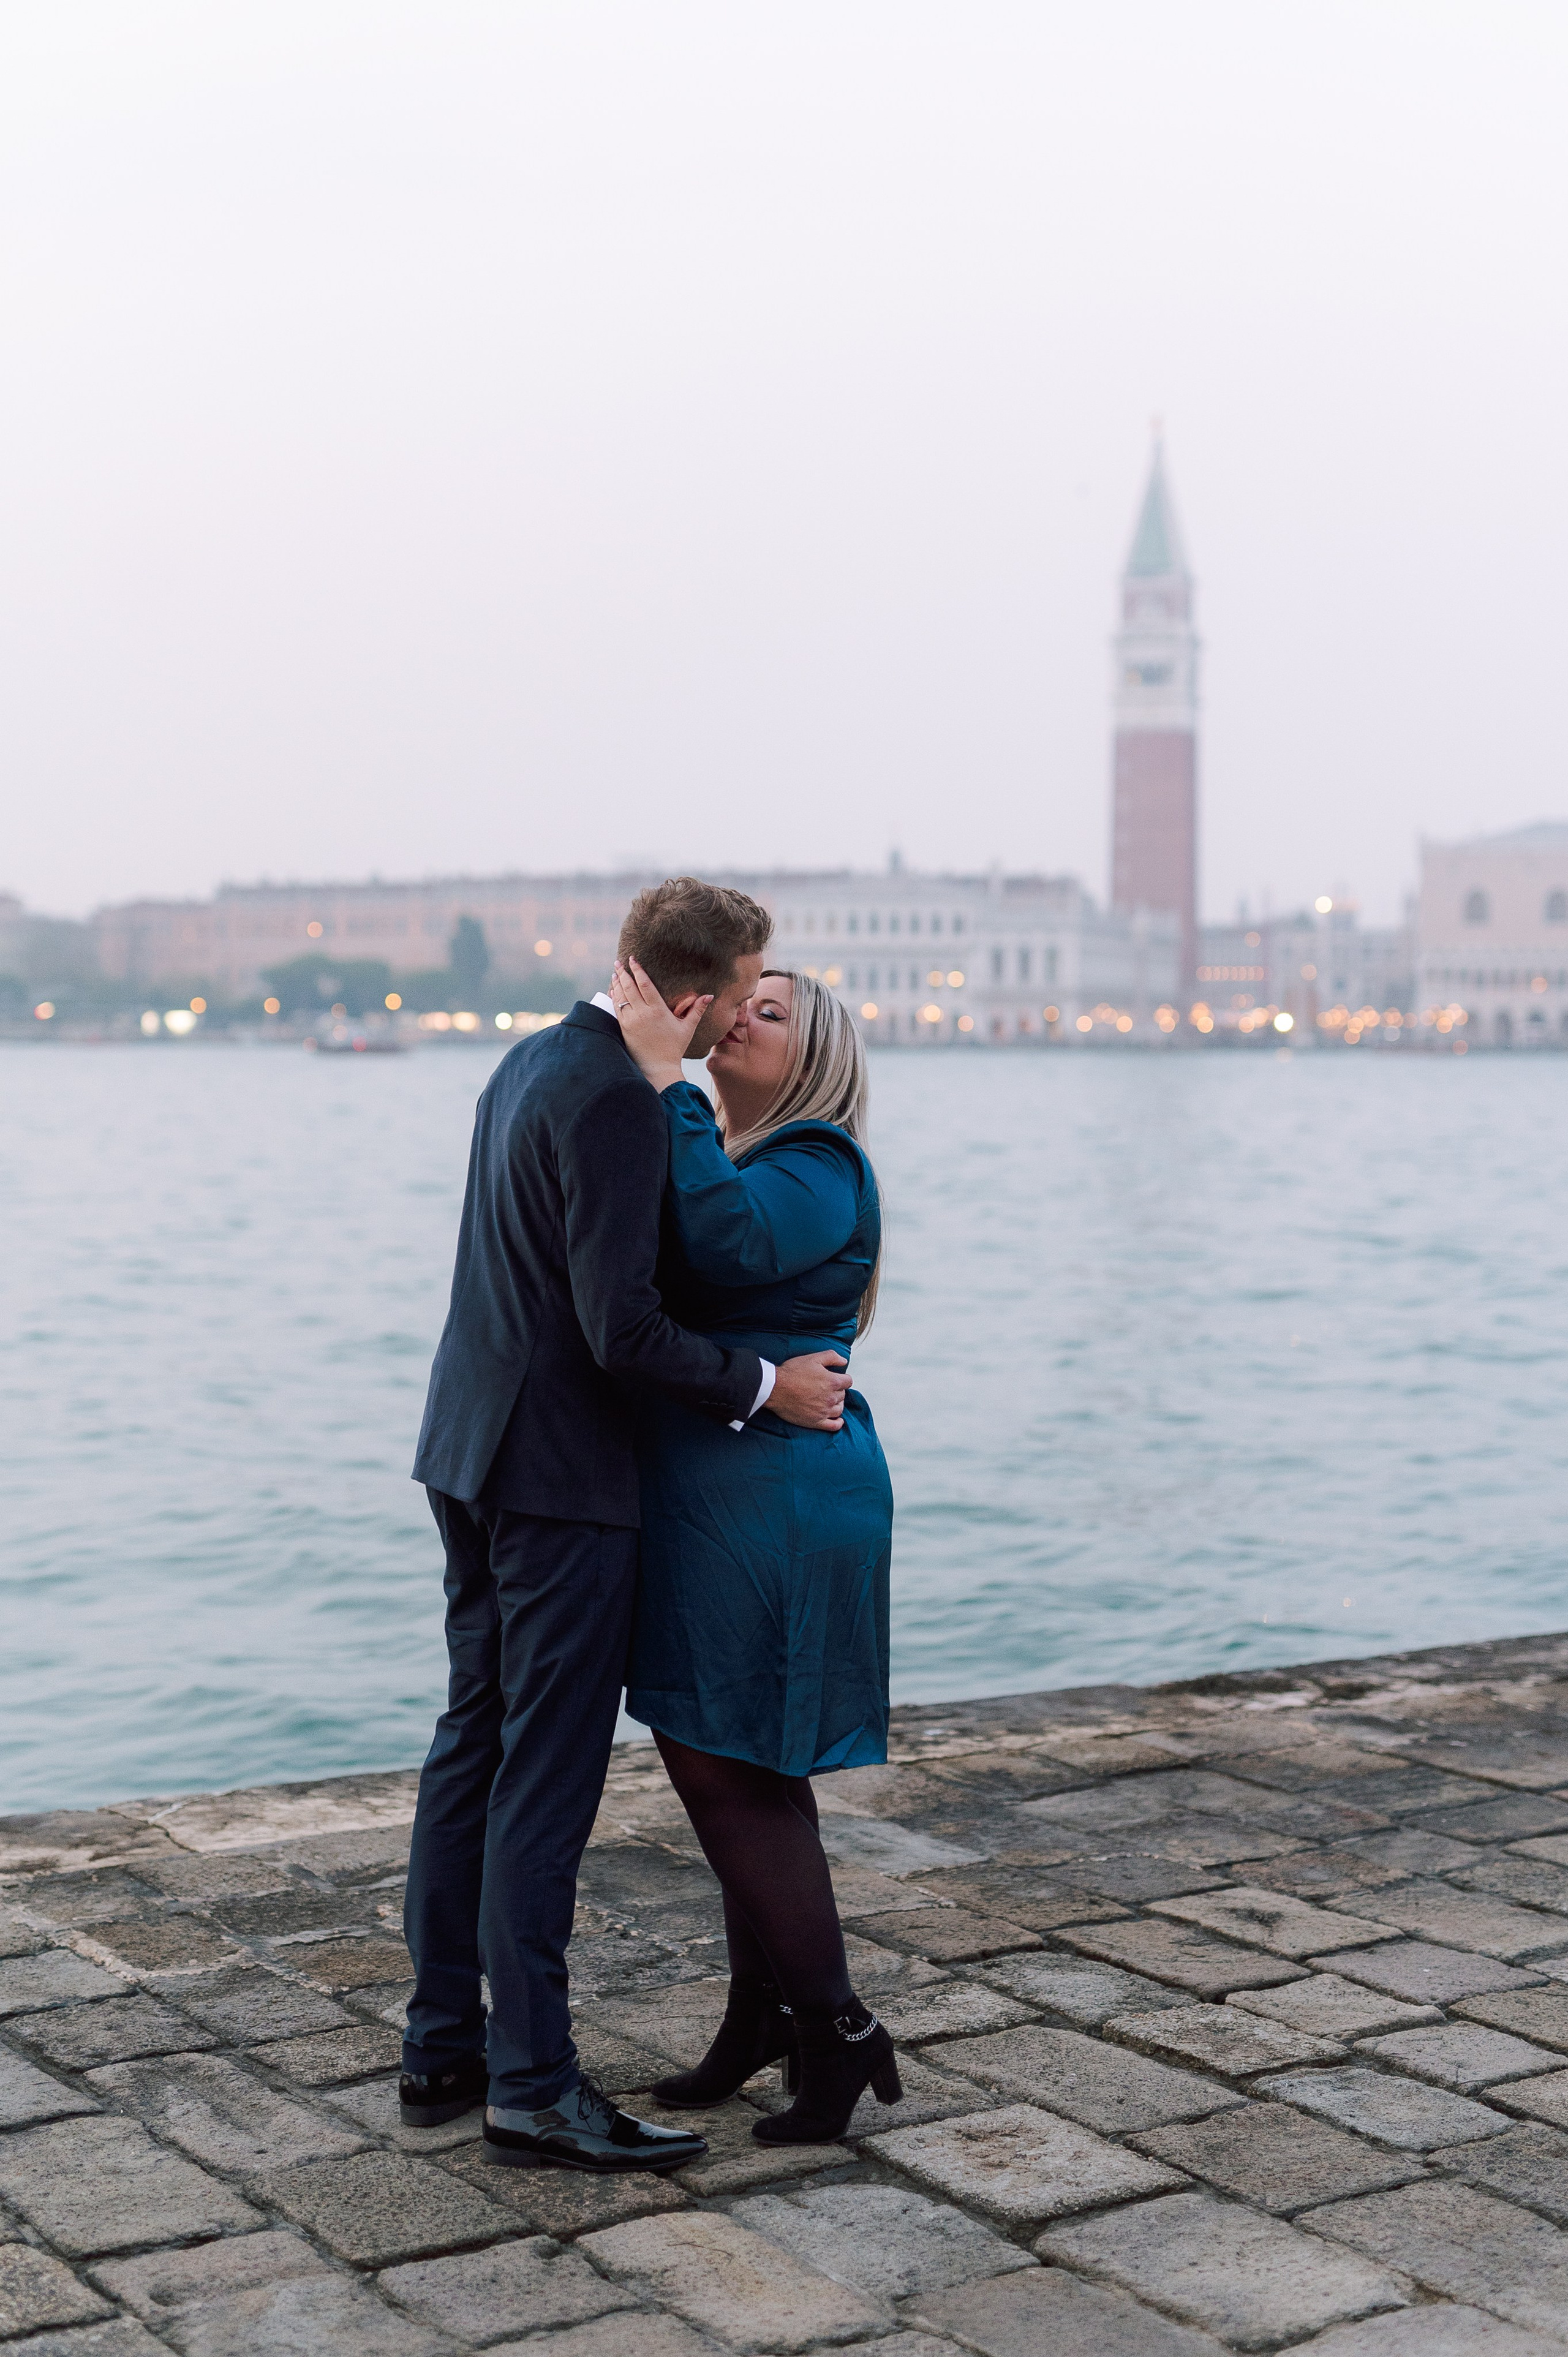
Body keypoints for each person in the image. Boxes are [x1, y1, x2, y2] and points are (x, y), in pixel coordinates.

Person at [399, 879, 852, 2175]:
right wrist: (767, 1384)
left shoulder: (531, 1058)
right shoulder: (614, 1096)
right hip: (558, 1479)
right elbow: (621, 1329)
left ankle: (445, 2042)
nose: (733, 1033)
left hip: (469, 1447)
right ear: (693, 995)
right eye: (739, 1000)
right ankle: (534, 2085)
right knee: (543, 1776)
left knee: (471, 1747)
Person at [609, 952, 900, 2143]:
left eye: (766, 1014)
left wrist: (662, 1077)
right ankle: (759, 2016)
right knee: (745, 1762)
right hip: (730, 1494)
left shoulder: (817, 1159)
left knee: (722, 1765)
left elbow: (722, 1250)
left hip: (775, 1504)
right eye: (738, 1003)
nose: (739, 1020)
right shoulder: (743, 1157)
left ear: (814, 1052)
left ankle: (836, 2029)